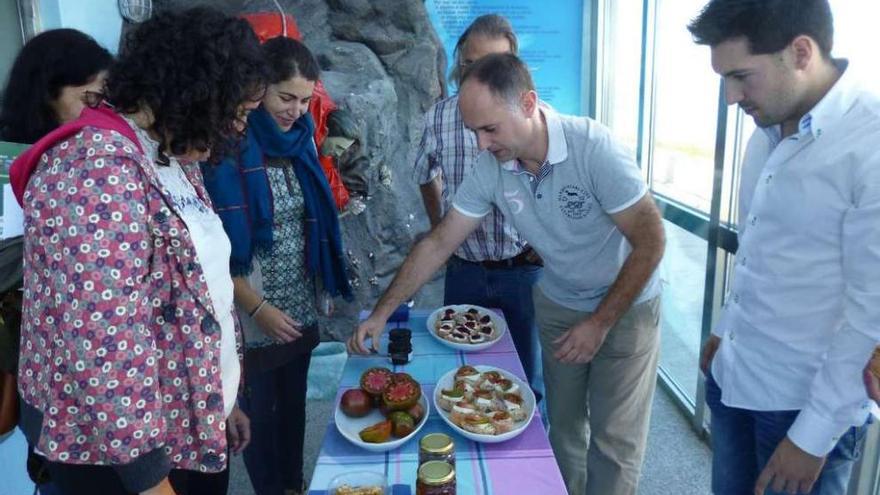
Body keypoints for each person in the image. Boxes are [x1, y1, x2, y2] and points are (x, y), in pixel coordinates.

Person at [349, 53, 665, 495]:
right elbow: (440, 242)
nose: (480, 144)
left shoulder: (594, 146)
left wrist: (600, 322)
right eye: (473, 131)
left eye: (490, 129)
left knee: (614, 444)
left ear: (529, 103)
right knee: (564, 430)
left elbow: (652, 241)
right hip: (560, 301)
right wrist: (383, 312)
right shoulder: (491, 168)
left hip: (626, 306)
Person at [10, 7, 267, 495]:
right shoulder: (95, 169)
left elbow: (195, 289)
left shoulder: (166, 154)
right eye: (238, 112)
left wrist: (221, 398)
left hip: (185, 424)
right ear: (196, 95)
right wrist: (149, 477)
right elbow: (103, 340)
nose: (238, 129)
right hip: (124, 458)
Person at [688, 1, 880, 493]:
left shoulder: (870, 144)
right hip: (734, 379)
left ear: (800, 52)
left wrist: (812, 438)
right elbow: (757, 250)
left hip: (803, 406)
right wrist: (725, 329)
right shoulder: (767, 132)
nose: (731, 97)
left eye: (741, 76)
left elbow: (871, 314)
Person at [202, 36, 351, 495]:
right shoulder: (225, 148)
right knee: (260, 421)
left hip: (297, 307)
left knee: (293, 410)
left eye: (306, 100)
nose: (297, 110)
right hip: (251, 314)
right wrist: (258, 307)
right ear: (259, 88)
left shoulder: (301, 141)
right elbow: (208, 251)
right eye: (286, 97)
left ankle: (295, 485)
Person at [0, 28, 113, 495]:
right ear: (49, 92)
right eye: (88, 96)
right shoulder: (10, 159)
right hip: (31, 351)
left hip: (89, 356)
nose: (98, 110)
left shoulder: (95, 153)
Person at [412, 14, 545, 403]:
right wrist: (441, 228)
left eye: (493, 64)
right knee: (462, 372)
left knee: (527, 377)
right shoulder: (438, 117)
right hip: (466, 268)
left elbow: (551, 182)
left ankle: (528, 460)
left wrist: (543, 242)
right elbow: (424, 172)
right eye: (470, 64)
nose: (479, 74)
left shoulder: (531, 118)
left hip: (521, 267)